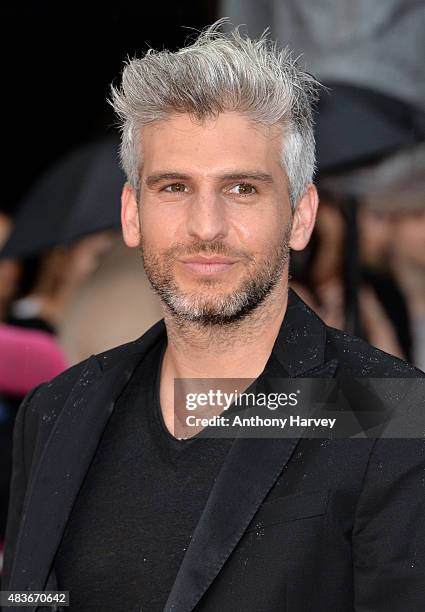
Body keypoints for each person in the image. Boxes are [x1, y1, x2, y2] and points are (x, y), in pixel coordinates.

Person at [2, 22, 425, 612]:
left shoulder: (392, 416)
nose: (206, 226)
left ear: (300, 216)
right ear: (132, 213)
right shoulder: (55, 411)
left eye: (242, 189)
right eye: (174, 187)